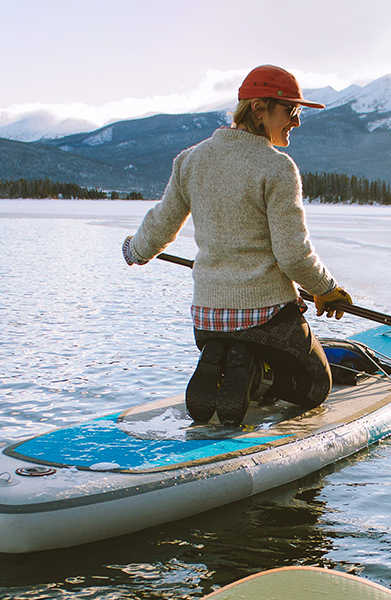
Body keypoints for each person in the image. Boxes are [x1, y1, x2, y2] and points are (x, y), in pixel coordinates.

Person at [123, 64, 352, 426]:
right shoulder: (277, 167)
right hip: (268, 318)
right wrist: (327, 289)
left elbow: (161, 225)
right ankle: (255, 374)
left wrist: (135, 251)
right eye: (291, 111)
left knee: (235, 341)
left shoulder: (190, 160)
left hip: (207, 319)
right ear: (259, 109)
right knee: (315, 385)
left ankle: (230, 357)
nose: (297, 121)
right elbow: (293, 255)